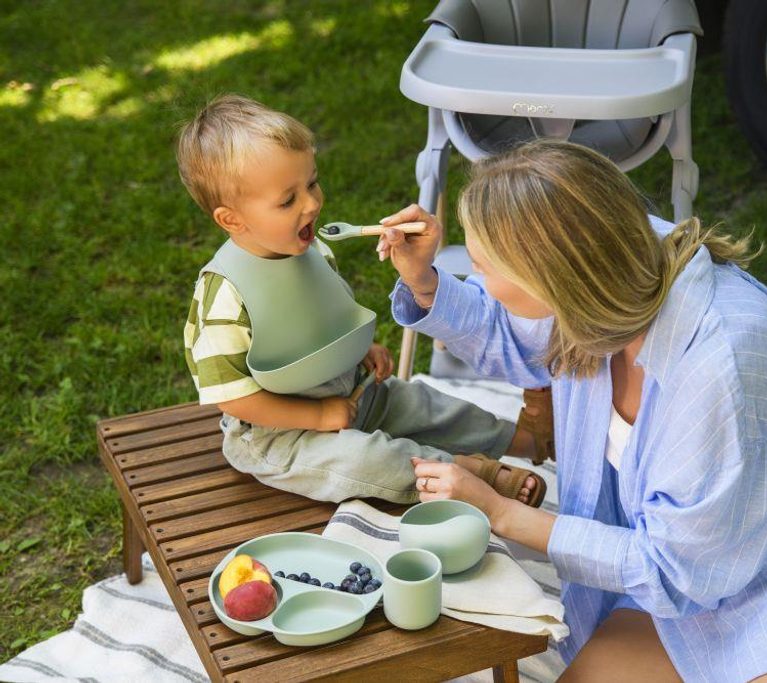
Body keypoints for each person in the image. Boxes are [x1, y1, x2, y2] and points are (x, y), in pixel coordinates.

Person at [378, 139, 767, 682]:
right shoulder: (613, 265)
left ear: (551, 276)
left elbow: (682, 570)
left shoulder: (724, 362)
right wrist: (423, 280)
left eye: (482, 267)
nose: (478, 280)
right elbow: (509, 331)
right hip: (657, 600)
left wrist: (504, 515)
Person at [176, 94, 545, 506]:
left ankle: (527, 439)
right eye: (288, 200)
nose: (312, 203)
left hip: (354, 394)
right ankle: (466, 476)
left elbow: (324, 322)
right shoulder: (224, 295)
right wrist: (317, 416)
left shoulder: (312, 252)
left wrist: (361, 351)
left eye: (312, 183)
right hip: (280, 435)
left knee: (426, 406)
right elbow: (232, 395)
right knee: (368, 460)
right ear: (231, 219)